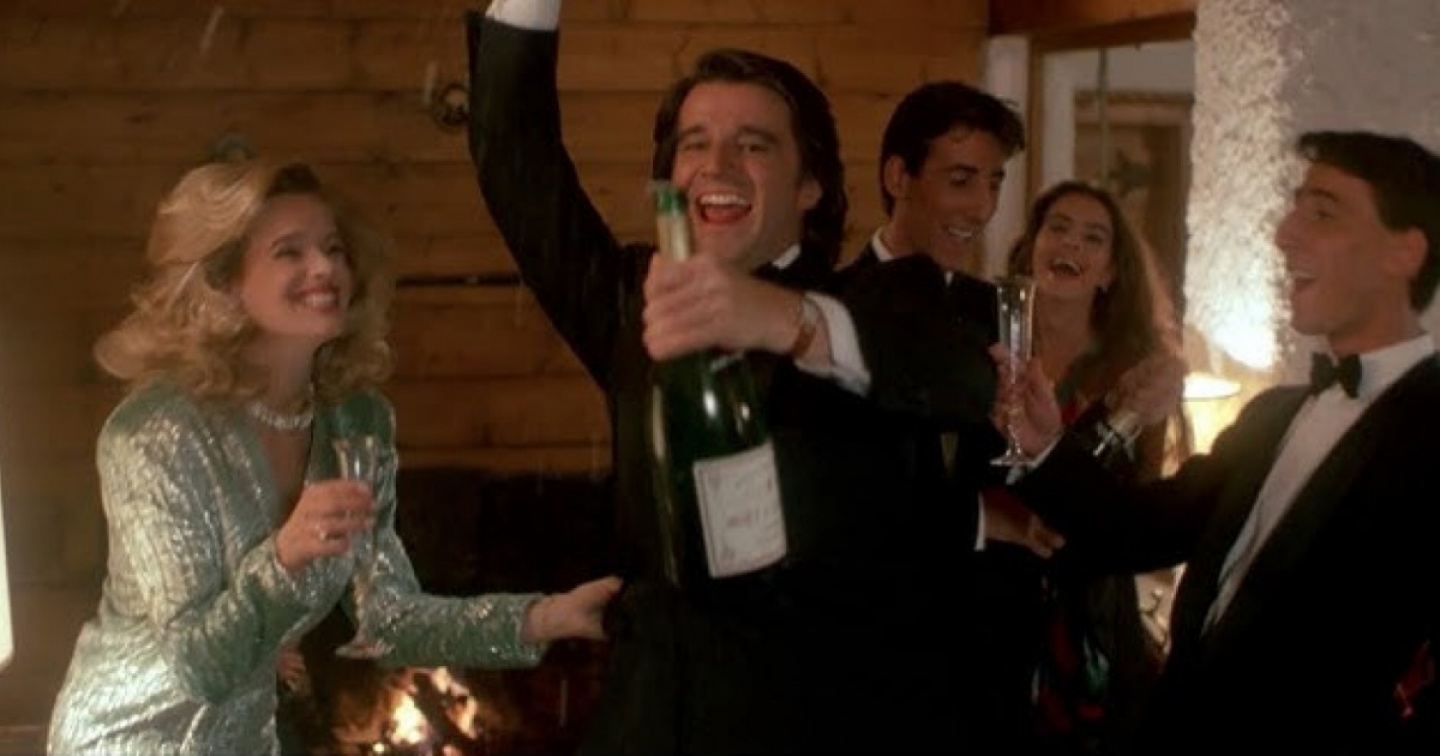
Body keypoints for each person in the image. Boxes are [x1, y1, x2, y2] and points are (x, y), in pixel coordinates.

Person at [466, 2, 999, 752]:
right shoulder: (637, 301)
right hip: (649, 725)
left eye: (753, 146)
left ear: (810, 185)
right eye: (695, 145)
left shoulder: (882, 299)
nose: (716, 168)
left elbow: (963, 377)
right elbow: (515, 159)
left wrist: (784, 320)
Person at [45, 159, 621, 755]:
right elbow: (200, 666)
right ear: (224, 282)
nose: (324, 268)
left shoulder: (357, 419)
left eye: (334, 249)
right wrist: (286, 555)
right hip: (125, 740)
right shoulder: (153, 432)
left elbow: (389, 618)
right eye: (289, 252)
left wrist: (546, 617)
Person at [1001, 130, 1440, 754]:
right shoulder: (1272, 414)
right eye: (1294, 209)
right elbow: (1136, 529)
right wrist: (1046, 445)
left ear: (1404, 253)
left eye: (1323, 212)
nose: (1285, 234)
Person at [972, 180, 1188, 755]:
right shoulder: (988, 346)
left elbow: (1126, 510)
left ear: (1110, 272)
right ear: (1031, 248)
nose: (1071, 243)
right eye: (1059, 228)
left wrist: (1137, 412)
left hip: (1085, 611)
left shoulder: (1134, 373)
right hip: (986, 595)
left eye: (1094, 238)